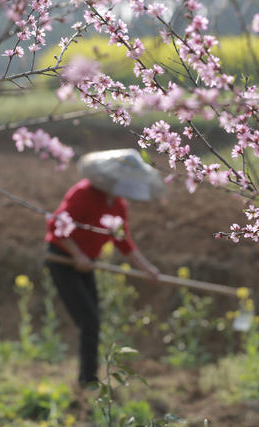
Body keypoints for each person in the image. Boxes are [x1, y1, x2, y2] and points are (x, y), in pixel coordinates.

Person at [44, 149, 163, 388]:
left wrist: (147, 268)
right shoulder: (83, 193)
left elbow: (123, 240)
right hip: (63, 260)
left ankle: (87, 379)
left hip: (86, 264)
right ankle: (87, 382)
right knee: (90, 321)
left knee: (92, 321)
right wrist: (77, 255)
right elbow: (57, 225)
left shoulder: (118, 204)